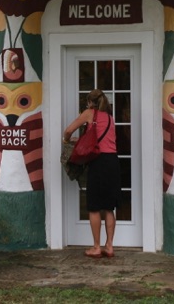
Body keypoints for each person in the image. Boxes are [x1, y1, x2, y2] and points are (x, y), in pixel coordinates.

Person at [63, 89, 120, 258]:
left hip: (98, 162)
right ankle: (109, 246)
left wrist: (67, 140)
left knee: (94, 207)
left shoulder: (89, 113)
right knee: (109, 208)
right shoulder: (110, 118)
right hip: (113, 162)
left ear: (90, 102)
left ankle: (96, 247)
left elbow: (68, 130)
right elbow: (102, 139)